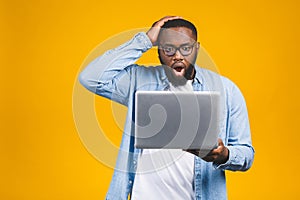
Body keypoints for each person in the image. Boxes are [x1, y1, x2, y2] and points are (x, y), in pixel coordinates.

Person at [79, 16, 254, 200]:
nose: (178, 56)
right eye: (169, 49)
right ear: (159, 51)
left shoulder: (226, 90)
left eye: (186, 48)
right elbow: (91, 77)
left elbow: (246, 154)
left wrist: (224, 155)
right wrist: (145, 40)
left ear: (196, 49)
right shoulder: (139, 80)